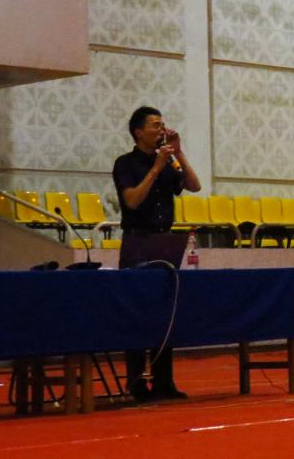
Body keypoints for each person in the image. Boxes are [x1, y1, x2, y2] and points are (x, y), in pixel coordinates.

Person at [112, 105, 202, 402]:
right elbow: (132, 200)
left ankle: (164, 381)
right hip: (137, 240)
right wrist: (155, 168)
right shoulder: (125, 164)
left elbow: (194, 185)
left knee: (166, 310)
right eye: (155, 125)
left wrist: (179, 153)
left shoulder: (169, 161)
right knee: (136, 310)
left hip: (164, 240)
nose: (161, 129)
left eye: (163, 124)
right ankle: (137, 383)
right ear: (138, 131)